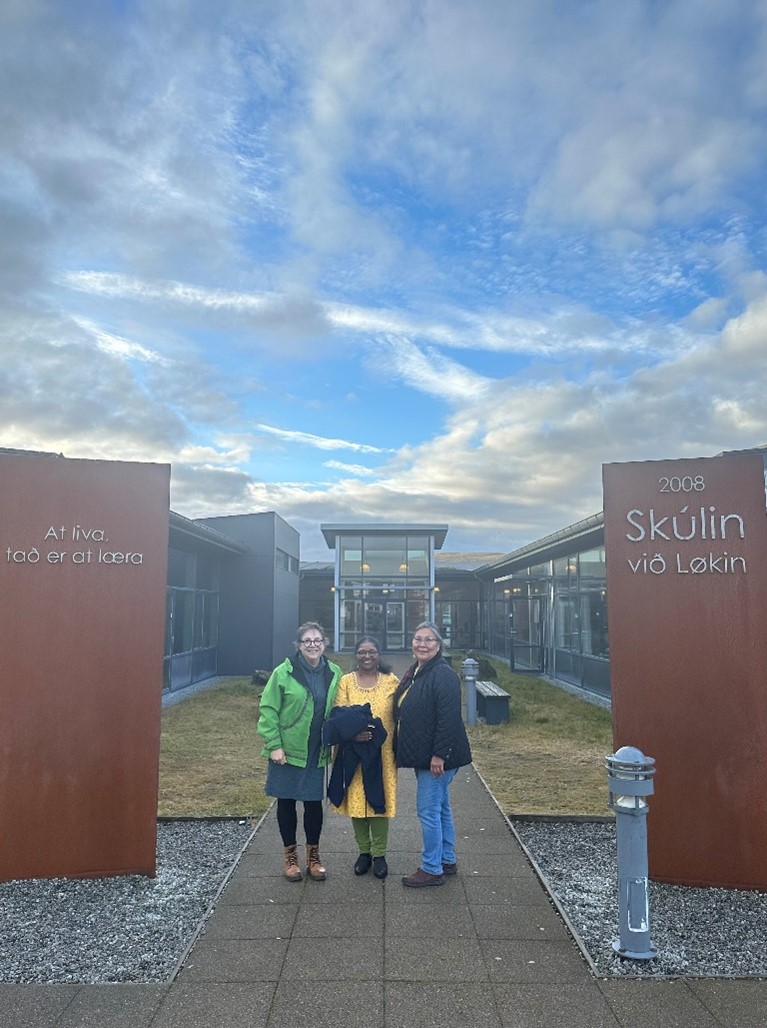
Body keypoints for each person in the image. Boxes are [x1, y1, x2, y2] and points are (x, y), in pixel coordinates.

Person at [256, 622, 341, 882]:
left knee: (314, 804)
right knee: (287, 801)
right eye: (307, 641)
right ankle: (290, 858)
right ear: (299, 645)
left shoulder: (334, 672)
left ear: (324, 644)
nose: (313, 644)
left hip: (317, 749)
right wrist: (274, 745)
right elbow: (268, 709)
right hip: (287, 749)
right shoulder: (283, 673)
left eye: (317, 640)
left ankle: (313, 858)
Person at [393, 621, 472, 887]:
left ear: (438, 646)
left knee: (428, 811)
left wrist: (440, 755)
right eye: (418, 639)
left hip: (436, 759)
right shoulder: (418, 671)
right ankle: (446, 859)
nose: (422, 644)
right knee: (441, 808)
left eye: (429, 640)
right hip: (426, 754)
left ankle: (431, 868)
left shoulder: (443, 674)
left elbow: (449, 718)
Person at [328, 637, 399, 879]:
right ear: (355, 655)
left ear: (379, 654)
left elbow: (404, 710)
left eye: (372, 651)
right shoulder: (346, 682)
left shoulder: (391, 681)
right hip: (352, 753)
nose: (366, 656)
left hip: (382, 753)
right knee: (357, 802)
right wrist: (353, 733)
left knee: (379, 802)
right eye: (361, 652)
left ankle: (379, 855)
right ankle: (364, 852)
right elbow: (338, 713)